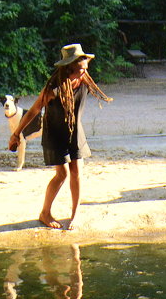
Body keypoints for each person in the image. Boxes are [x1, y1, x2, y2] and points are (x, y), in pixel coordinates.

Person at [9, 43, 112, 230]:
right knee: (62, 174)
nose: (85, 71)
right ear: (69, 67)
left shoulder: (85, 80)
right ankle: (45, 213)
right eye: (81, 68)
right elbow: (34, 110)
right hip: (54, 134)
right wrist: (16, 133)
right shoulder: (53, 88)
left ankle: (75, 215)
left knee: (77, 173)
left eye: (86, 67)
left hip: (75, 132)